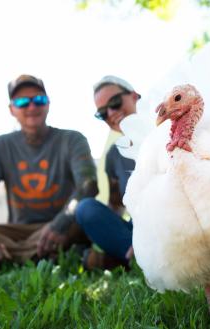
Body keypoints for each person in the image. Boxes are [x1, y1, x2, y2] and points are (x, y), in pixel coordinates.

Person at [0, 74, 98, 264]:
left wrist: (59, 224)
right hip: (18, 231)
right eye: (23, 102)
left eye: (39, 100)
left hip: (62, 226)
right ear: (11, 109)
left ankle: (10, 256)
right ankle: (41, 255)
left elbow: (88, 186)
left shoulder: (73, 139)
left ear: (48, 104)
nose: (32, 107)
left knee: (87, 217)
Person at [75, 75, 139, 270]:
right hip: (139, 229)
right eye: (102, 113)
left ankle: (120, 261)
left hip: (174, 222)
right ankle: (136, 254)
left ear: (135, 96)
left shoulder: (166, 131)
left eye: (115, 103)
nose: (111, 113)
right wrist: (104, 230)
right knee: (86, 209)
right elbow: (116, 205)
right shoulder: (114, 154)